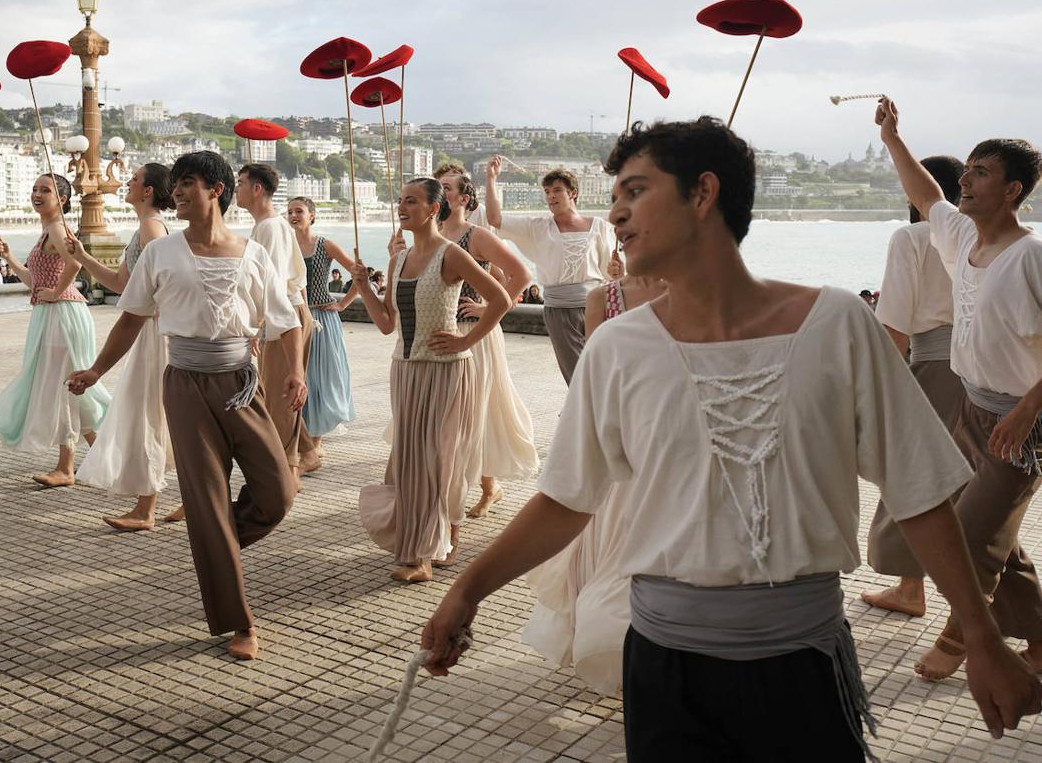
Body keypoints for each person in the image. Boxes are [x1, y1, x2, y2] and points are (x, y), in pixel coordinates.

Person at [421, 117, 1042, 761]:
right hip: (663, 668)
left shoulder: (837, 322)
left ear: (703, 193)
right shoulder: (616, 348)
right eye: (615, 199)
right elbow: (566, 500)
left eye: (635, 192)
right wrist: (467, 592)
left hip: (805, 662)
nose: (619, 215)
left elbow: (918, 494)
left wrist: (983, 636)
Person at [67, 150, 305, 661]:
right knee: (207, 499)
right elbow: (130, 318)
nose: (176, 192)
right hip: (185, 385)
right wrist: (95, 371)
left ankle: (214, 547)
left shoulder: (253, 253)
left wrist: (297, 373)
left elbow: (286, 322)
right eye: (174, 184)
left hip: (242, 384)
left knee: (278, 490)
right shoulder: (161, 253)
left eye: (188, 183)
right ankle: (239, 621)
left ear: (216, 190)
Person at [877, 97, 1042, 681]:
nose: (966, 179)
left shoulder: (1031, 258)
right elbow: (927, 196)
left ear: (1013, 190)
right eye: (967, 168)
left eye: (982, 172)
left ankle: (960, 640)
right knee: (1002, 542)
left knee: (969, 542)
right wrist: (893, 137)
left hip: (1020, 425)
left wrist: (1026, 411)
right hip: (973, 409)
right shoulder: (960, 239)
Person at [352, 178, 511, 583]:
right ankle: (416, 548)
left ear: (433, 209)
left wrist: (467, 338)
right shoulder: (399, 259)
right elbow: (387, 324)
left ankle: (426, 554)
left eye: (412, 201)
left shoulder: (450, 255)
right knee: (408, 463)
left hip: (446, 372)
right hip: (404, 370)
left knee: (437, 462)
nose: (402, 207)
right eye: (400, 200)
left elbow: (500, 299)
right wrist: (362, 287)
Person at [523, 251, 666, 693]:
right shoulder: (603, 297)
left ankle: (643, 643)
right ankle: (605, 637)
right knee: (604, 539)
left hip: (666, 439)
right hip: (616, 434)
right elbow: (591, 372)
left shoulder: (688, 293)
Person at [861, 155, 966, 619]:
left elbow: (896, 328)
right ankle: (911, 588)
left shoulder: (911, 237)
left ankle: (919, 591)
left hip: (932, 369)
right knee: (953, 483)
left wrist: (872, 385)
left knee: (916, 477)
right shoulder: (977, 237)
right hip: (981, 373)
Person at [0, 173, 109, 487]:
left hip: (62, 314)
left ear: (62, 199)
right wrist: (8, 256)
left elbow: (75, 264)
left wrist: (57, 291)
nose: (37, 194)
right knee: (71, 387)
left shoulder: (56, 227)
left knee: (64, 386)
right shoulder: (46, 230)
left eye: (45, 190)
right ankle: (107, 456)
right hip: (54, 312)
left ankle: (67, 468)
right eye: (34, 189)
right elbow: (35, 283)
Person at [66, 163, 175, 531]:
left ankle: (146, 509)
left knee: (149, 417)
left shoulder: (151, 228)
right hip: (151, 329)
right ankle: (182, 500)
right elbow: (119, 282)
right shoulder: (145, 229)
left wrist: (98, 368)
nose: (126, 182)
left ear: (148, 191)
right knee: (157, 417)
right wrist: (81, 256)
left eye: (134, 179)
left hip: (154, 331)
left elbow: (148, 294)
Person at [437, 172, 538, 518]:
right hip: (439, 332)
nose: (440, 192)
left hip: (474, 333)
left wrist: (490, 307)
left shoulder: (476, 236)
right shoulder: (430, 236)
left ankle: (485, 487)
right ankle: (465, 489)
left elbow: (522, 274)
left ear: (463, 199)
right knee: (448, 414)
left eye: (446, 188)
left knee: (478, 409)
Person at [482, 156, 614, 384]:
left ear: (572, 193)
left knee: (600, 369)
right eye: (547, 192)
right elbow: (494, 219)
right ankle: (584, 416)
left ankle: (589, 416)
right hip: (559, 309)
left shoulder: (599, 226)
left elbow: (611, 273)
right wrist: (491, 178)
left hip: (596, 306)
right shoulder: (538, 227)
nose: (551, 196)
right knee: (578, 376)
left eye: (557, 190)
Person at [237, 163, 316, 477]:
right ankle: (307, 451)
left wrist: (257, 324)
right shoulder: (268, 225)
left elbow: (271, 282)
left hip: (284, 316)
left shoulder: (270, 227)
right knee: (277, 390)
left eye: (241, 183)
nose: (237, 188)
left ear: (257, 189)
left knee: (281, 395)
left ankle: (288, 471)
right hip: (284, 312)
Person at [287, 196, 360, 455]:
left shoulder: (324, 244)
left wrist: (343, 304)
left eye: (299, 211)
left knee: (322, 379)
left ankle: (316, 442)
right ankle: (303, 440)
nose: (293, 215)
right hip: (295, 320)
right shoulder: (285, 246)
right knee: (301, 377)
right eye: (290, 212)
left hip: (323, 319)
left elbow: (359, 274)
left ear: (312, 215)